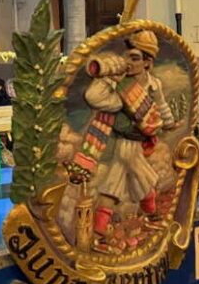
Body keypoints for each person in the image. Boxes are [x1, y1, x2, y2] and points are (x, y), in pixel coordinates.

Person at [76, 31, 181, 252]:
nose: (129, 63)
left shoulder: (154, 85)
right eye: (127, 57)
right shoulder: (120, 87)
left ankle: (101, 234)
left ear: (147, 62)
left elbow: (161, 108)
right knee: (139, 177)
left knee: (117, 184)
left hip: (138, 143)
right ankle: (148, 215)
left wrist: (169, 124)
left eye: (134, 58)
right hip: (122, 143)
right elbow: (94, 98)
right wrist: (107, 78)